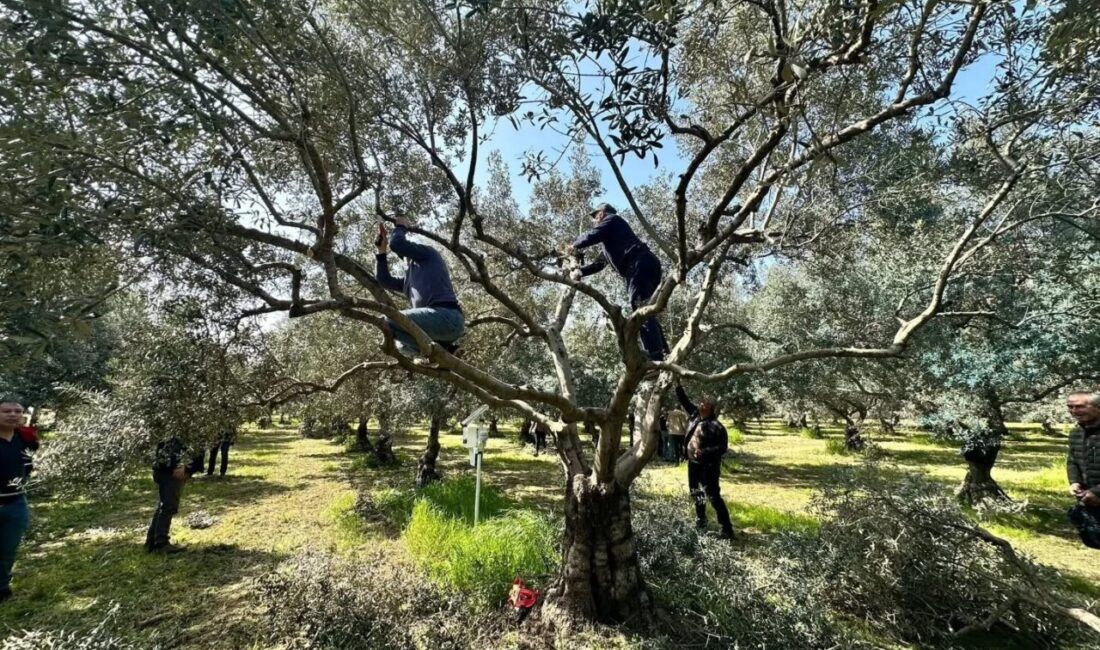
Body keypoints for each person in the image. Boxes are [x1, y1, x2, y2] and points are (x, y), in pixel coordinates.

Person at [568, 203, 669, 362]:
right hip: (642, 265)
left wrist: (573, 245)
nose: (595, 221)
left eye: (595, 217)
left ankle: (655, 356)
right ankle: (663, 353)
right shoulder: (609, 239)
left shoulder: (612, 220)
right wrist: (580, 271)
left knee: (641, 308)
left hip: (639, 263)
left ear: (601, 213)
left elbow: (591, 236)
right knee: (645, 310)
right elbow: (599, 264)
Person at [375, 219, 465, 355]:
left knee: (389, 320)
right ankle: (446, 351)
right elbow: (384, 280)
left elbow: (397, 244)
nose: (405, 257)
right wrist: (381, 251)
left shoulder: (429, 255)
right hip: (437, 330)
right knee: (401, 346)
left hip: (447, 317)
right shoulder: (407, 281)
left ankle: (439, 350)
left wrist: (400, 226)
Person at [676, 384, 734, 540]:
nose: (700, 403)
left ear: (710, 408)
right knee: (696, 493)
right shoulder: (695, 416)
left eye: (704, 402)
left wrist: (705, 452)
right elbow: (684, 400)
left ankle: (727, 529)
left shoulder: (717, 427)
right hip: (693, 464)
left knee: (713, 496)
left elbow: (722, 447)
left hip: (708, 467)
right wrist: (677, 384)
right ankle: (701, 521)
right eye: (700, 401)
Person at [0, 398, 36, 603]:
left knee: (7, 549)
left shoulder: (25, 439)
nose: (13, 415)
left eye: (17, 411)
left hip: (15, 503)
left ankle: (2, 588)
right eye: (7, 411)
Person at [145, 438, 203, 554]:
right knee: (168, 506)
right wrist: (180, 466)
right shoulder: (180, 430)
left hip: (164, 470)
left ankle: (152, 542)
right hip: (170, 472)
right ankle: (161, 544)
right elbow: (175, 448)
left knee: (164, 505)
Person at [1066, 391, 1100, 549]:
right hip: (1091, 500)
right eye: (1070, 407)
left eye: (1079, 406)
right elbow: (1072, 460)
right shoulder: (1076, 434)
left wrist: (1097, 492)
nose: (1074, 411)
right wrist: (1075, 482)